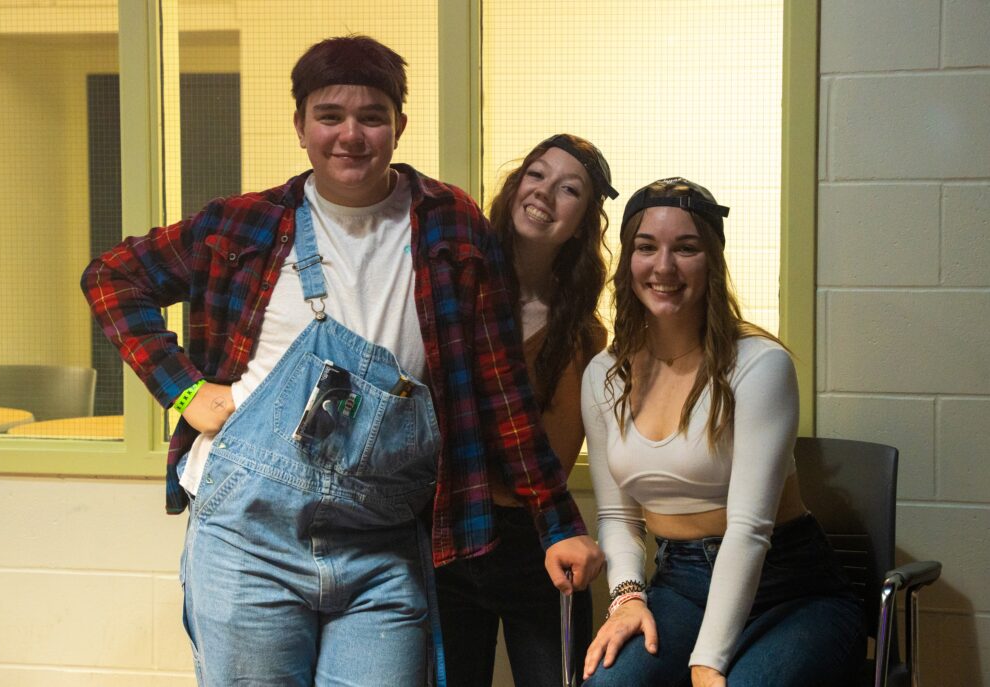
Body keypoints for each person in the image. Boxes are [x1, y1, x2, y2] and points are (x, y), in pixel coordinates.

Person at [81, 35, 601, 687]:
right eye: (330, 115)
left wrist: (556, 522)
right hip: (249, 540)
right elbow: (111, 277)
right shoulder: (244, 226)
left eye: (372, 116)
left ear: (399, 126)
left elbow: (501, 392)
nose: (350, 135)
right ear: (300, 125)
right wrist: (186, 390)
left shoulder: (450, 226)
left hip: (383, 541)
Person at [580, 178, 865, 687]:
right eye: (646, 247)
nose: (663, 267)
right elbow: (616, 514)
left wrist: (707, 660)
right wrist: (627, 597)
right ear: (628, 262)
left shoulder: (759, 364)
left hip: (790, 588)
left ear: (711, 260)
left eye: (685, 248)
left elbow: (750, 528)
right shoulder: (604, 374)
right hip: (680, 585)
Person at [435, 134, 616, 686]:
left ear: (583, 222)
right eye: (536, 174)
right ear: (516, 184)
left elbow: (551, 461)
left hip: (535, 543)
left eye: (569, 190)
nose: (544, 193)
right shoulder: (452, 289)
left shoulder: (583, 336)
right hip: (447, 532)